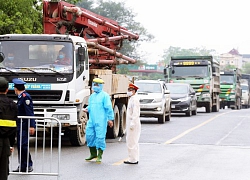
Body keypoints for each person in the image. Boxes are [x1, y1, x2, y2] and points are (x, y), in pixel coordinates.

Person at [84, 77, 114, 163]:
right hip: (92, 120)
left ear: (101, 86)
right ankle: (93, 154)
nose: (95, 86)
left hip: (101, 120)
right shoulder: (92, 96)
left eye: (97, 85)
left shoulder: (105, 96)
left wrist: (110, 119)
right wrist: (87, 109)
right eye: (94, 84)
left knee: (100, 137)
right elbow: (91, 106)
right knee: (89, 136)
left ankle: (100, 155)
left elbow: (108, 108)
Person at [12, 78, 36, 173]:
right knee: (20, 145)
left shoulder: (25, 97)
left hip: (25, 125)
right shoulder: (20, 97)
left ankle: (28, 164)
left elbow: (29, 112)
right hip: (20, 125)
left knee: (23, 145)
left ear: (16, 88)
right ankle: (22, 165)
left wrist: (31, 125)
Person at [0, 77, 17, 180]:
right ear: (7, 90)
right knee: (2, 171)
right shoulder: (12, 105)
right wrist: (11, 144)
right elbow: (13, 127)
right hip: (5, 142)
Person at [124, 83, 141, 165]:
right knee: (132, 141)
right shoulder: (131, 99)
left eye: (131, 90)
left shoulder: (135, 99)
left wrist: (132, 123)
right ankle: (133, 158)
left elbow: (135, 113)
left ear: (135, 91)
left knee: (132, 141)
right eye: (129, 90)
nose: (129, 91)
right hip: (131, 122)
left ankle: (133, 159)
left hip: (133, 123)